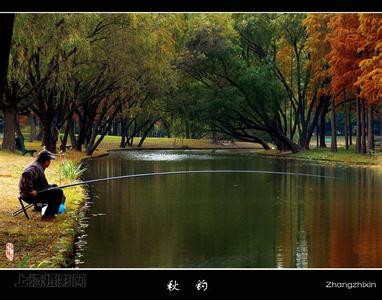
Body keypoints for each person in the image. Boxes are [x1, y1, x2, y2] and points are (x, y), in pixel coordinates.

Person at [18, 149, 65, 221]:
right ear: (46, 161)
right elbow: (26, 174)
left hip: (36, 191)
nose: (50, 162)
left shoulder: (38, 165)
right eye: (49, 161)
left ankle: (38, 207)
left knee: (54, 187)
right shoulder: (35, 168)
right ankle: (48, 216)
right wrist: (30, 190)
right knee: (58, 192)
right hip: (28, 195)